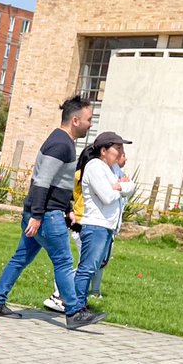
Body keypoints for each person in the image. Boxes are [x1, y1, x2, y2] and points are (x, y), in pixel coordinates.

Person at [0, 95, 107, 330]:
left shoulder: (61, 141)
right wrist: (38, 215)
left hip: (44, 212)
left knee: (21, 257)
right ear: (75, 120)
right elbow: (42, 181)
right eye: (89, 120)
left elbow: (56, 183)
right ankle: (74, 312)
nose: (90, 124)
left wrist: (67, 209)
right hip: (46, 215)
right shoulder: (61, 144)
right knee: (63, 261)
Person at [74, 132, 133, 308]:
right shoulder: (95, 167)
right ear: (104, 150)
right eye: (117, 147)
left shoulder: (113, 169)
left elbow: (131, 186)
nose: (121, 152)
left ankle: (78, 305)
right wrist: (120, 188)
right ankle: (76, 307)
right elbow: (107, 196)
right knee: (87, 269)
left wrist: (120, 186)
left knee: (94, 267)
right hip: (95, 225)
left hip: (107, 226)